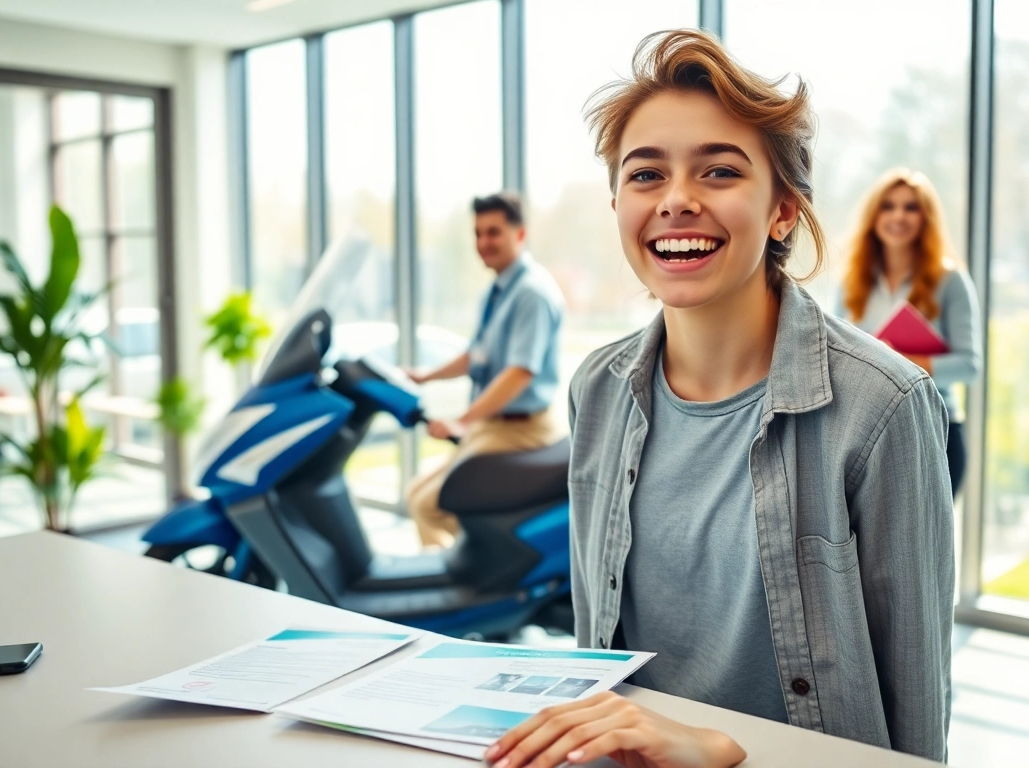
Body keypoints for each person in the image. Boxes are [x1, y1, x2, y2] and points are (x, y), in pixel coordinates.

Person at [484, 30, 954, 768]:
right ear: (617, 203)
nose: (677, 200)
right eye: (646, 175)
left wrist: (725, 751)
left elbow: (915, 724)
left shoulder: (883, 406)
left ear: (783, 211)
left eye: (720, 171)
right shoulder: (598, 390)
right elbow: (596, 654)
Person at [403, 192, 565, 550]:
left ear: (519, 234)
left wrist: (463, 421)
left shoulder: (531, 294)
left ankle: (465, 575)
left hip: (522, 428)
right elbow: (475, 357)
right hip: (493, 426)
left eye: (493, 232)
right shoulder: (498, 290)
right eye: (478, 233)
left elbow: (519, 373)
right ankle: (464, 563)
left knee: (427, 505)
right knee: (414, 492)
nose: (483, 242)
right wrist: (426, 376)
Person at [840, 169, 982, 497]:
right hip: (867, 432)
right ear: (874, 216)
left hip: (935, 429)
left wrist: (899, 361)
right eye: (888, 206)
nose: (899, 216)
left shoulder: (950, 281)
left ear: (926, 218)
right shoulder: (853, 281)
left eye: (911, 207)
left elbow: (969, 366)